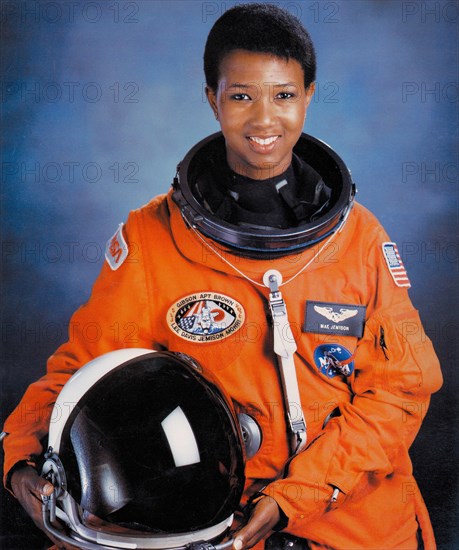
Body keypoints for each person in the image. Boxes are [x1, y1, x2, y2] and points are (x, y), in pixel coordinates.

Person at [2, 4, 443, 550]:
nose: (263, 121)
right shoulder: (152, 239)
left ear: (309, 95)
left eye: (283, 95)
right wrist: (21, 455)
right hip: (213, 524)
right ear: (212, 98)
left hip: (353, 515)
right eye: (241, 96)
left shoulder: (360, 240)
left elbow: (399, 392)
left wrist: (291, 500)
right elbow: (86, 376)